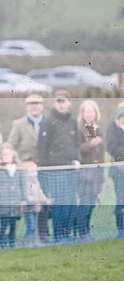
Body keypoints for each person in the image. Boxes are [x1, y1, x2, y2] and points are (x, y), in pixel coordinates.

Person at [37, 89, 81, 243]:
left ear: (69, 102)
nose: (62, 104)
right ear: (55, 103)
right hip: (55, 171)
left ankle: (66, 234)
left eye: (64, 101)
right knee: (59, 206)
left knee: (69, 203)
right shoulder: (48, 121)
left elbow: (77, 144)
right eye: (58, 101)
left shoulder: (73, 122)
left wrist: (77, 159)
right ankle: (58, 235)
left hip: (71, 171)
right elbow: (42, 150)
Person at [0, 143, 28, 249]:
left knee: (13, 224)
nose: (6, 156)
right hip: (3, 201)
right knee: (4, 224)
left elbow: (23, 184)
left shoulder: (19, 168)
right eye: (4, 155)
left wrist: (24, 199)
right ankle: (3, 244)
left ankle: (12, 243)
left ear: (13, 155)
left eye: (8, 154)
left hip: (15, 200)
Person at [75, 99, 105, 241]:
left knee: (92, 203)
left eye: (91, 111)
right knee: (84, 203)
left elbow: (102, 152)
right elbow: (77, 149)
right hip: (85, 173)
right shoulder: (79, 128)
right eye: (86, 111)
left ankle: (87, 231)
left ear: (96, 113)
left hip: (97, 173)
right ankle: (82, 232)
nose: (89, 114)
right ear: (82, 113)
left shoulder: (98, 128)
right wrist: (90, 144)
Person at [8, 94, 45, 165]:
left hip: (46, 165)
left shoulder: (49, 123)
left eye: (37, 104)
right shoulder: (18, 124)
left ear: (42, 106)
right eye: (31, 104)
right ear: (26, 107)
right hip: (26, 164)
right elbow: (11, 145)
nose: (34, 107)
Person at [21, 161, 51, 246]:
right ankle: (28, 242)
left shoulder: (36, 182)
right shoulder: (25, 184)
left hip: (36, 207)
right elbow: (27, 196)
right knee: (30, 226)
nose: (33, 174)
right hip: (29, 208)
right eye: (30, 172)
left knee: (35, 225)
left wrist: (45, 199)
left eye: (35, 171)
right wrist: (35, 200)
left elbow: (40, 193)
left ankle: (35, 241)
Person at [105, 106, 124, 238]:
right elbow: (112, 148)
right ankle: (121, 229)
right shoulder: (113, 128)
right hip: (118, 171)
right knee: (121, 200)